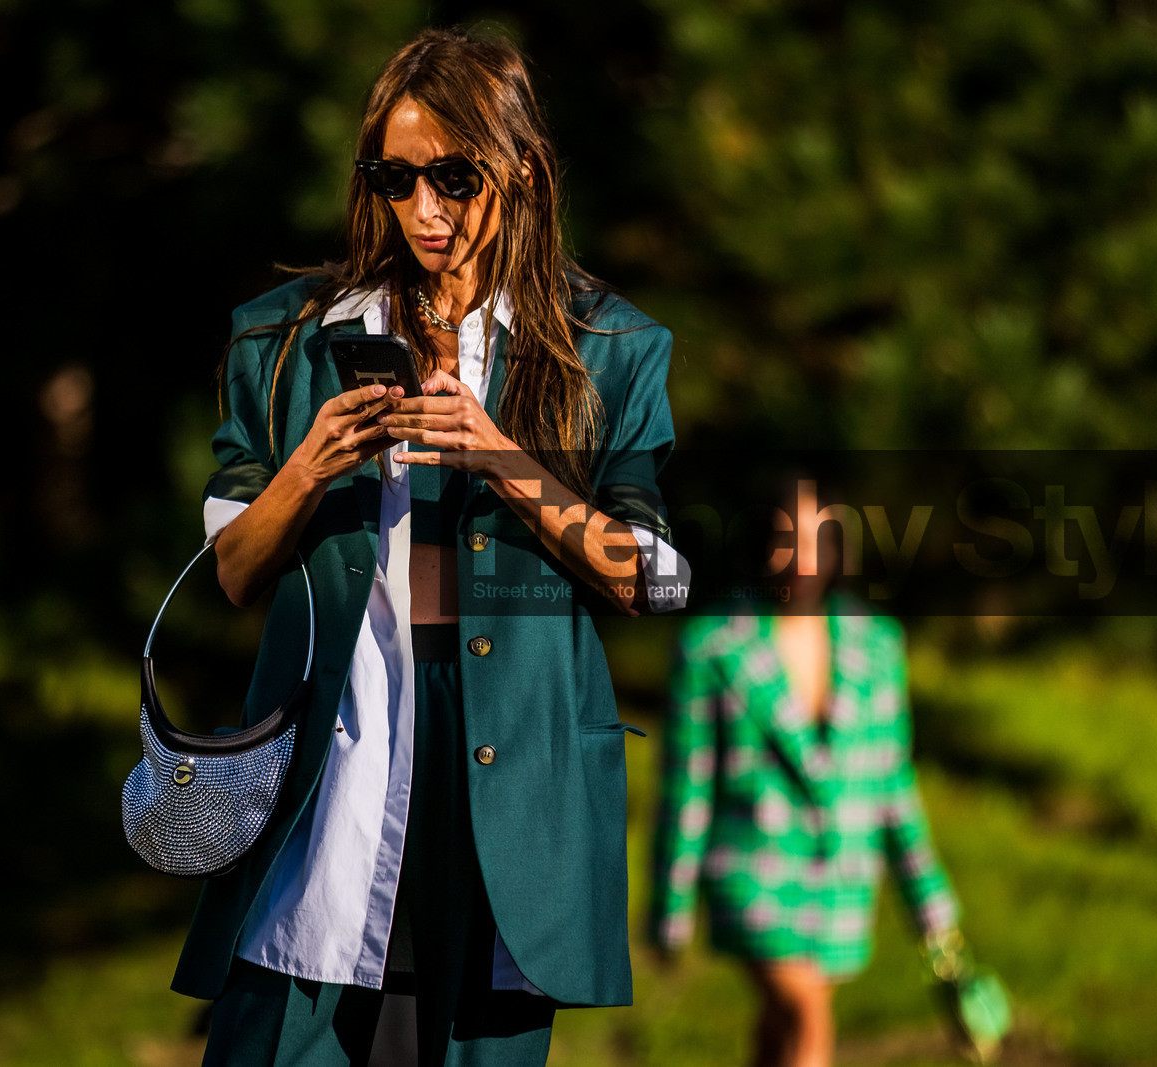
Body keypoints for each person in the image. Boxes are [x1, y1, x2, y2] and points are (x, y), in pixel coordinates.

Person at [176, 27, 687, 1067]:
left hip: (513, 793)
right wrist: (309, 465)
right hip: (333, 766)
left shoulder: (609, 348)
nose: (425, 212)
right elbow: (231, 568)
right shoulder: (284, 340)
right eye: (395, 179)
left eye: (455, 179)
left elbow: (657, 576)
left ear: (521, 170)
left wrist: (506, 458)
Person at [649, 514, 961, 1067]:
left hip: (843, 882)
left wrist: (929, 904)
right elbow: (687, 785)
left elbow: (893, 786)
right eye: (784, 537)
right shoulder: (713, 645)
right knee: (806, 1018)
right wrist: (670, 907)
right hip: (751, 873)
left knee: (780, 1030)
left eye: (818, 538)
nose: (801, 556)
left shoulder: (877, 645)